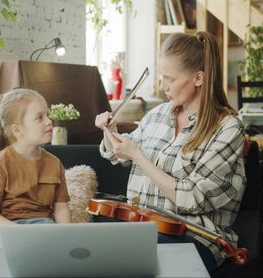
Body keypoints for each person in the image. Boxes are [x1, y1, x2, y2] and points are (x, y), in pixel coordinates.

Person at [95, 32, 246, 273]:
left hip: (195, 235)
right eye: (161, 77)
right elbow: (119, 153)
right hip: (143, 228)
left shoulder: (227, 128)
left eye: (170, 79)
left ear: (199, 78)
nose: (162, 86)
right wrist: (109, 130)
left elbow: (193, 198)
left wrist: (140, 157)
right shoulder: (157, 114)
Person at [0, 88, 71, 255]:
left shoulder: (55, 164)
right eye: (40, 118)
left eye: (47, 115)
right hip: (1, 230)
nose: (49, 121)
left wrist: (67, 236)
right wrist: (20, 234)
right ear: (17, 130)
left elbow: (61, 209)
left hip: (43, 226)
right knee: (11, 258)